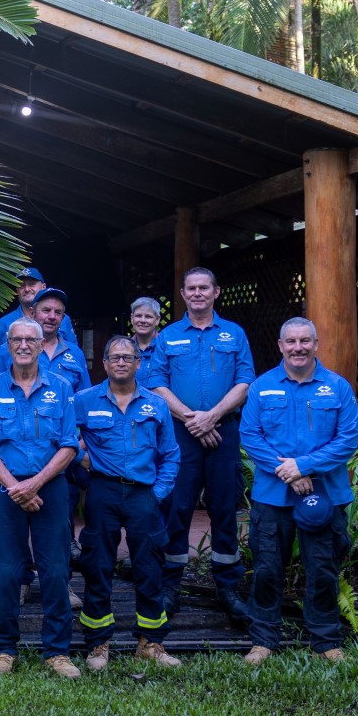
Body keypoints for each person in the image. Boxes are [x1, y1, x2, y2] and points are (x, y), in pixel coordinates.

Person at [241, 318, 358, 666]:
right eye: (291, 341)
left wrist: (304, 466)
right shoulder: (262, 387)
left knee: (323, 568)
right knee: (266, 568)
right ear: (280, 345)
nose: (298, 348)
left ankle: (325, 641)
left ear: (316, 344)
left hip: (324, 496)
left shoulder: (337, 388)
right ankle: (263, 640)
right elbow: (250, 436)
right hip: (272, 495)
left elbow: (347, 440)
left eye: (304, 341)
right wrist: (290, 473)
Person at [145, 267, 256, 626]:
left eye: (203, 287)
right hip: (181, 436)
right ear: (182, 294)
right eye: (191, 288)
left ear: (216, 292)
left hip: (224, 434)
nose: (197, 293)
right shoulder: (169, 337)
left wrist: (213, 416)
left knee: (225, 512)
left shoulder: (234, 334)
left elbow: (244, 382)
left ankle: (228, 588)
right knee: (177, 509)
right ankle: (171, 586)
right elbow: (157, 384)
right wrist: (194, 420)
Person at [0, 318, 81, 679]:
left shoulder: (62, 387)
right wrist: (15, 488)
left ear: (41, 345)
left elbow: (70, 444)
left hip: (49, 487)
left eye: (30, 340)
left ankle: (57, 652)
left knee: (55, 571)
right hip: (7, 489)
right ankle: (3, 648)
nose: (23, 345)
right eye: (17, 339)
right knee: (5, 573)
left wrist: (34, 484)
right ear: (8, 344)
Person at [74, 336, 182, 671]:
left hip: (143, 494)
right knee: (98, 565)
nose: (121, 362)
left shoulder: (156, 404)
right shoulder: (84, 400)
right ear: (104, 363)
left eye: (128, 357)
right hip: (103, 492)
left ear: (139, 363)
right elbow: (65, 440)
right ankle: (98, 643)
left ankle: (150, 642)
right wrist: (83, 460)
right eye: (114, 357)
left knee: (149, 567)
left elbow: (171, 454)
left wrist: (158, 493)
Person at [0, 266, 76, 352]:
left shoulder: (62, 319)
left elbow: (74, 352)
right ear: (17, 290)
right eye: (22, 285)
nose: (26, 289)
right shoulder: (3, 323)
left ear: (43, 287)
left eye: (32, 284)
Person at [130, 296, 162, 362]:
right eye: (138, 316)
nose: (142, 320)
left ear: (157, 320)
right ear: (132, 318)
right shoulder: (124, 347)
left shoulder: (165, 346)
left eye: (148, 316)